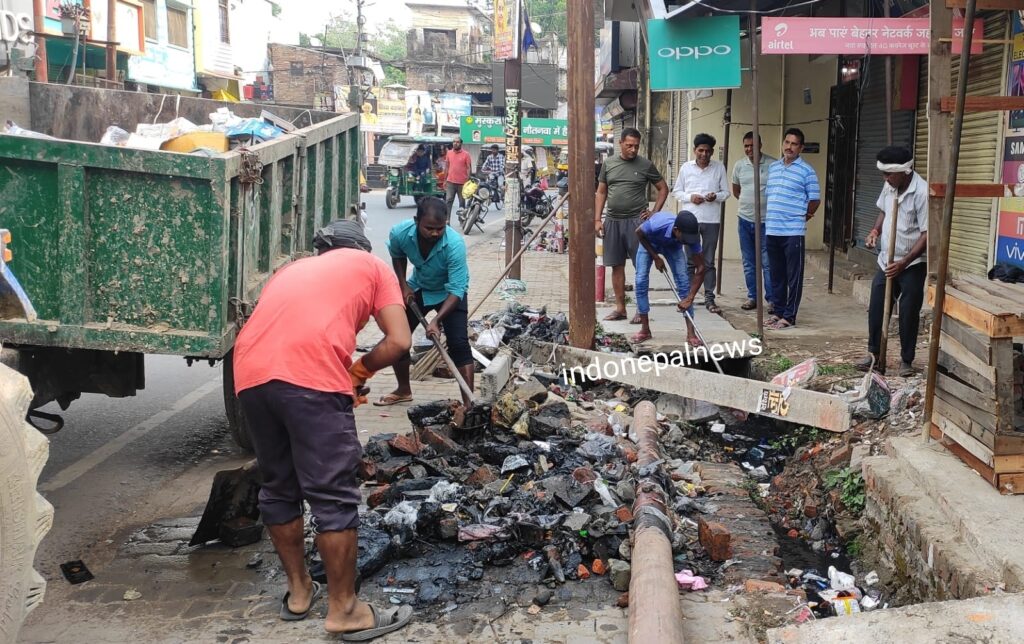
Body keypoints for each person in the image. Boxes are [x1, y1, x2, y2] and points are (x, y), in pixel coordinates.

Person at [232, 220, 414, 639]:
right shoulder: (372, 266)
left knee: (278, 485)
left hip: (250, 374)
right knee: (333, 496)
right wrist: (361, 368)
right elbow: (400, 341)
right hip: (310, 375)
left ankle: (299, 593)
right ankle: (345, 611)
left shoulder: (292, 270)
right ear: (361, 249)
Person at [377, 197, 473, 407]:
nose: (435, 233)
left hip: (449, 294)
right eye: (429, 228)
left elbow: (457, 290)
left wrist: (436, 321)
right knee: (397, 338)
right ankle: (403, 390)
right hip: (419, 287)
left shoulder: (455, 245)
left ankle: (469, 404)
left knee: (459, 344)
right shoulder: (400, 233)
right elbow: (398, 255)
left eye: (440, 228)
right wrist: (403, 285)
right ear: (416, 220)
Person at [855, 146, 928, 377]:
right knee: (877, 305)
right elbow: (884, 212)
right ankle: (874, 354)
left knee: (908, 311)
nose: (885, 179)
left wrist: (905, 262)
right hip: (885, 261)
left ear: (905, 172)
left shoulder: (922, 193)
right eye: (884, 174)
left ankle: (906, 360)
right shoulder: (890, 186)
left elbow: (927, 235)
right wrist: (875, 230)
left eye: (889, 174)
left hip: (912, 265)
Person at [595, 127, 670, 322]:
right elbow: (601, 192)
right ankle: (620, 308)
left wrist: (654, 213)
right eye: (629, 145)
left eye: (636, 146)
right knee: (616, 265)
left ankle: (641, 310)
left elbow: (663, 188)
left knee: (641, 267)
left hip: (638, 223)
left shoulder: (645, 165)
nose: (633, 150)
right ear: (620, 144)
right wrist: (597, 219)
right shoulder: (609, 164)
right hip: (612, 221)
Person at [764, 127, 821, 330]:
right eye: (787, 142)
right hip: (772, 229)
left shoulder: (807, 171)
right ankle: (778, 311)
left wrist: (802, 217)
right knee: (776, 274)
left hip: (793, 231)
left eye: (794, 144)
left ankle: (789, 316)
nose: (789, 147)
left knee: (793, 276)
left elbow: (815, 200)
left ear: (801, 148)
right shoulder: (774, 167)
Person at [672, 133, 729, 315]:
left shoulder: (718, 167)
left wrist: (715, 196)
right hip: (691, 220)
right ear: (694, 150)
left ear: (712, 152)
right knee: (690, 261)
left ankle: (709, 298)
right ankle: (688, 297)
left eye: (708, 151)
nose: (704, 154)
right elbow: (677, 192)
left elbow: (726, 192)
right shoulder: (686, 168)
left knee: (709, 261)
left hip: (712, 219)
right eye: (700, 150)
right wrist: (690, 197)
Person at [632, 210, 706, 347]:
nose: (688, 243)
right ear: (676, 230)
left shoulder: (691, 237)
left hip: (673, 247)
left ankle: (691, 333)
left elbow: (701, 268)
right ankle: (645, 330)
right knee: (640, 280)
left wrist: (690, 298)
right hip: (649, 243)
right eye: (685, 239)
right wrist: (655, 257)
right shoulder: (658, 225)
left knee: (684, 284)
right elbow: (639, 233)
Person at [731, 131, 775, 312]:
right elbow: (736, 190)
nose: (749, 149)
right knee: (749, 262)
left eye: (753, 145)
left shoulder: (773, 165)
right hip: (744, 220)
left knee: (767, 262)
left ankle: (772, 300)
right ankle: (752, 297)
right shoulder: (739, 166)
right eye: (746, 146)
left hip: (766, 222)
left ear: (760, 146)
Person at [443, 138, 474, 222]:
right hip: (450, 182)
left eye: (457, 142)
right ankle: (447, 220)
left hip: (462, 183)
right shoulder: (449, 153)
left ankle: (461, 219)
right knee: (448, 200)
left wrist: (468, 180)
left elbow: (468, 167)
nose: (455, 143)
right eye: (454, 142)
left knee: (462, 202)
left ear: (461, 144)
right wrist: (445, 180)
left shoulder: (466, 154)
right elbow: (447, 167)